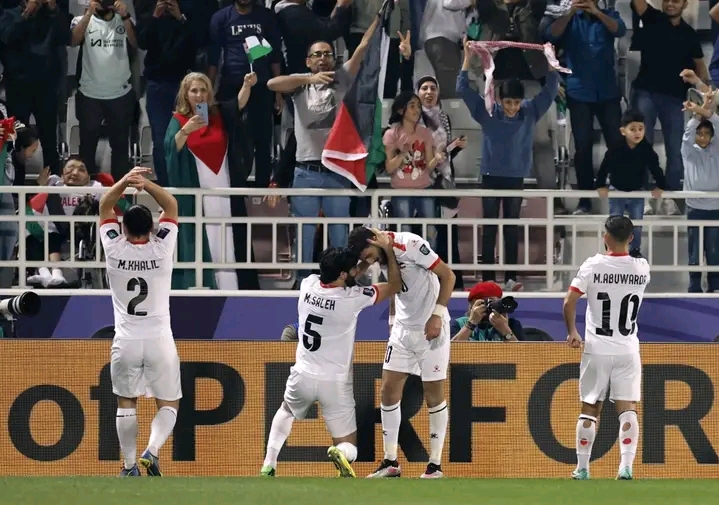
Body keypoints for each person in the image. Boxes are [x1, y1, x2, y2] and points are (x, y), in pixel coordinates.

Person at [260, 240, 402, 477]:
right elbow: (395, 286)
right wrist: (387, 251)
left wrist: (362, 265)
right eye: (352, 269)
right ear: (344, 274)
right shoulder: (353, 298)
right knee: (349, 447)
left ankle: (269, 463)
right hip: (335, 383)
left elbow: (343, 278)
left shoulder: (308, 284)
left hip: (303, 374)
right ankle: (341, 453)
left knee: (286, 410)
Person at [347, 227, 457, 479]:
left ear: (373, 241)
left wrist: (437, 315)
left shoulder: (411, 244)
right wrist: (393, 320)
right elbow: (396, 287)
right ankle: (390, 462)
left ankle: (435, 465)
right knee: (388, 391)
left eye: (368, 255)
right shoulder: (383, 250)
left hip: (431, 327)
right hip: (402, 331)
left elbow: (448, 276)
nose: (369, 261)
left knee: (434, 394)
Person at [99, 167, 181, 477]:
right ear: (153, 227)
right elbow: (171, 205)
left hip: (126, 339)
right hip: (160, 338)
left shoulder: (113, 247)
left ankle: (130, 465)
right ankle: (152, 451)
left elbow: (104, 206)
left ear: (122, 227)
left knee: (126, 402)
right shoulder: (163, 247)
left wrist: (125, 181)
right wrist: (145, 184)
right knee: (169, 402)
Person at [562, 215, 651, 481]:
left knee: (590, 407)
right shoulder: (642, 268)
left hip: (597, 347)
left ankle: (583, 468)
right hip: (627, 348)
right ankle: (626, 466)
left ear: (605, 236)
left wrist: (572, 331)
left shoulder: (592, 265)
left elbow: (569, 302)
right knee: (628, 407)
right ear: (631, 237)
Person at [595, 109, 666, 253]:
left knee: (637, 224)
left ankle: (635, 250)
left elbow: (655, 168)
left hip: (637, 192)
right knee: (615, 222)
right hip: (617, 191)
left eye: (640, 129)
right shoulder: (615, 148)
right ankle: (613, 249)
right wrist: (600, 185)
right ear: (623, 131)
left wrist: (660, 185)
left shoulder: (646, 149)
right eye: (633, 129)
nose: (637, 133)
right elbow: (604, 167)